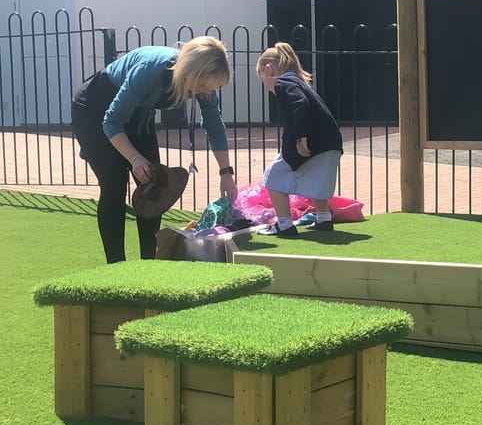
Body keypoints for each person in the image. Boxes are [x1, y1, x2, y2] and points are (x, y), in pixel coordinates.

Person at [71, 36, 236, 263]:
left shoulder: (204, 85)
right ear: (190, 71)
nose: (206, 92)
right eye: (202, 86)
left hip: (138, 113)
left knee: (155, 184)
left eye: (211, 87)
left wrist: (226, 173)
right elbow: (112, 122)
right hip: (95, 110)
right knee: (114, 184)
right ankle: (115, 266)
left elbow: (214, 126)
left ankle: (149, 262)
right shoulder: (150, 69)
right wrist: (134, 157)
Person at [256, 42, 344, 235]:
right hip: (330, 141)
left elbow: (300, 104)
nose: (266, 87)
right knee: (317, 179)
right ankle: (323, 219)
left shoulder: (282, 83)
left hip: (312, 141)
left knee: (272, 177)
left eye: (262, 79)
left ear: (269, 69)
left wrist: (301, 137)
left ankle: (285, 224)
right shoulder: (298, 82)